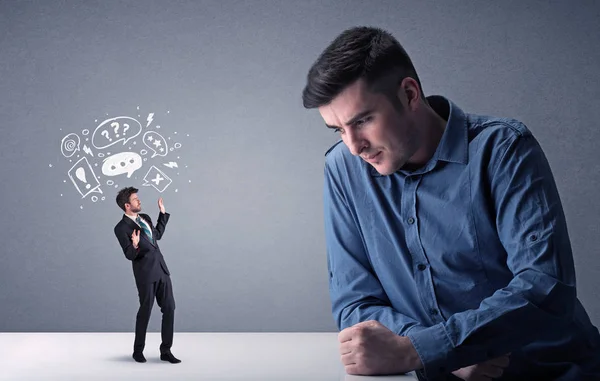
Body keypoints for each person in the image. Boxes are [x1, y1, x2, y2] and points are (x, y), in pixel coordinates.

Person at [302, 26, 600, 381]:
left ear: (410, 94)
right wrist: (445, 353)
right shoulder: (343, 169)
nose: (354, 146)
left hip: (556, 372)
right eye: (338, 129)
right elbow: (356, 305)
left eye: (363, 120)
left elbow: (546, 288)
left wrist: (425, 350)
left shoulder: (503, 150)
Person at [114, 187, 181, 364]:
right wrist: (134, 245)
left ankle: (166, 351)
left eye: (138, 198)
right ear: (127, 205)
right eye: (135, 199)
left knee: (169, 308)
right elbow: (129, 255)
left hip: (161, 270)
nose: (139, 201)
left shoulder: (146, 218)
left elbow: (156, 236)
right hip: (145, 274)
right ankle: (138, 351)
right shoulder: (121, 228)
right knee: (145, 311)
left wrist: (163, 214)